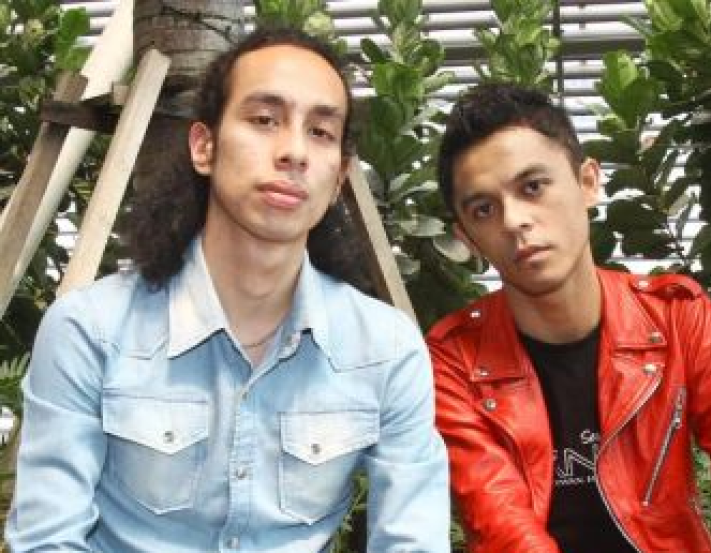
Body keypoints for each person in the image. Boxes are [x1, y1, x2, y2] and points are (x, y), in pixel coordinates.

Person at [6, 26, 450, 552]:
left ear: (339, 178)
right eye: (264, 120)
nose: (294, 152)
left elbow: (413, 542)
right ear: (204, 146)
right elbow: (48, 541)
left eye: (320, 132)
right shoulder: (90, 331)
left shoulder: (385, 348)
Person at [426, 82, 711, 553]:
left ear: (588, 183)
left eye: (533, 187)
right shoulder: (454, 361)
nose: (514, 221)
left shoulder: (678, 316)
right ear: (468, 238)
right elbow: (502, 527)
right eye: (484, 209)